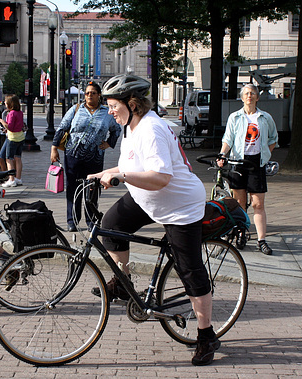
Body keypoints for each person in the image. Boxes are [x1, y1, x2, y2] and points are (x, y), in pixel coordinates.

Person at [87, 74, 219, 366]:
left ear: (131, 104)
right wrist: (104, 173)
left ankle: (206, 335)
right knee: (111, 227)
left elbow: (161, 177)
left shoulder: (152, 128)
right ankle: (123, 283)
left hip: (179, 205)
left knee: (190, 272)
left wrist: (121, 176)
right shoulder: (130, 127)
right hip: (146, 197)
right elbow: (132, 163)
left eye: (113, 105)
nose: (109, 111)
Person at [50, 82, 121, 232]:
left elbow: (116, 129)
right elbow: (62, 128)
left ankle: (91, 220)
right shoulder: (76, 109)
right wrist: (54, 149)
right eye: (87, 93)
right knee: (73, 188)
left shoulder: (106, 112)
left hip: (94, 158)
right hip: (72, 155)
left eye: (93, 93)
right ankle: (72, 220)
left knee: (92, 189)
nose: (89, 95)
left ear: (99, 95)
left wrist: (108, 143)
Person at [218, 84, 278, 255]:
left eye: (252, 93)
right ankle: (241, 234)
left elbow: (273, 138)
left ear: (257, 97)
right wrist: (222, 154)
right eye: (246, 94)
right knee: (240, 204)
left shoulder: (265, 118)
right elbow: (228, 139)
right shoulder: (235, 117)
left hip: (256, 163)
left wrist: (265, 155)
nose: (249, 96)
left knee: (258, 204)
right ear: (242, 98)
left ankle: (262, 240)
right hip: (238, 162)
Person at [0, 94, 24, 187]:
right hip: (20, 137)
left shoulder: (11, 113)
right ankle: (18, 178)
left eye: (6, 102)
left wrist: (0, 121)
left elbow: (10, 127)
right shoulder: (20, 112)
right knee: (18, 158)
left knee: (9, 158)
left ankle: (11, 179)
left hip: (12, 138)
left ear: (10, 104)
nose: (4, 103)